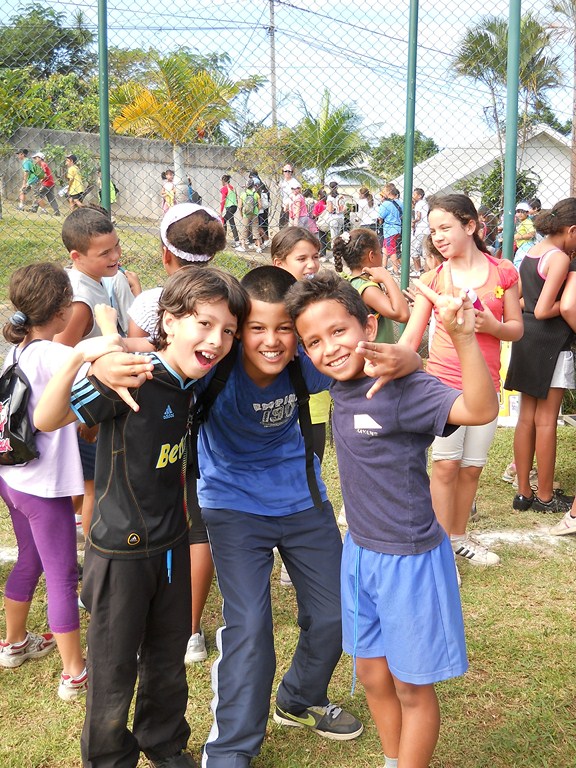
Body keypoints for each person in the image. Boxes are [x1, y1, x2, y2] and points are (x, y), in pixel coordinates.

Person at [34, 267, 249, 768]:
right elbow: (46, 419)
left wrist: (117, 341)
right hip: (119, 553)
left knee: (168, 659)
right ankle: (109, 757)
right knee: (113, 671)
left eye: (227, 331)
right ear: (170, 321)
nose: (216, 340)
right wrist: (86, 357)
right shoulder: (130, 375)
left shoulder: (194, 378)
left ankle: (165, 744)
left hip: (172, 544)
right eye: (204, 323)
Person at [285, 269, 499, 768]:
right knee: (372, 675)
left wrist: (461, 337)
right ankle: (392, 759)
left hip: (410, 560)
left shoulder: (402, 387)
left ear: (367, 324)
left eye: (338, 331)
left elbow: (480, 409)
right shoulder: (334, 381)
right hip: (359, 554)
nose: (329, 348)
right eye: (313, 341)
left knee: (411, 687)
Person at [196, 266, 364, 767]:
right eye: (257, 329)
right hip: (232, 505)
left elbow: (361, 355)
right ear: (237, 330)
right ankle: (230, 750)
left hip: (301, 499)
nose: (271, 341)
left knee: (338, 611)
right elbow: (160, 358)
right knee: (250, 629)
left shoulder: (304, 364)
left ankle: (299, 698)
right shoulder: (213, 369)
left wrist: (403, 355)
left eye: (284, 329)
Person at [0, 264, 120, 700]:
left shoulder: (17, 350)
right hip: (43, 487)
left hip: (12, 478)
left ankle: (14, 642)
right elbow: (107, 360)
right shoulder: (55, 355)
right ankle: (74, 672)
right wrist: (108, 322)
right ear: (62, 311)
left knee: (29, 558)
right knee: (62, 576)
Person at [399, 194, 523, 568]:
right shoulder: (434, 278)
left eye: (445, 228)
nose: (437, 237)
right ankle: (439, 551)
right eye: (433, 230)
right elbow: (411, 336)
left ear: (470, 226)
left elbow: (516, 329)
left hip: (485, 388)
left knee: (471, 467)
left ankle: (457, 537)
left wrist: (494, 326)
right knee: (445, 466)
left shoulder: (503, 272)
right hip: (443, 389)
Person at [127, 202, 227, 663]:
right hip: (208, 429)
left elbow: (136, 363)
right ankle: (190, 631)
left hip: (155, 431)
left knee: (152, 516)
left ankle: (146, 618)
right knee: (198, 524)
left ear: (166, 254)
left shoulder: (152, 302)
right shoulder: (225, 297)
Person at [505, 197, 576, 516]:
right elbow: (548, 309)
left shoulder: (533, 251)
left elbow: (521, 299)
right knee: (546, 421)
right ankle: (546, 496)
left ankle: (524, 493)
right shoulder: (559, 258)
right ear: (572, 230)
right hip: (551, 342)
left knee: (526, 418)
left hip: (526, 338)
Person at [333, 228, 409, 343]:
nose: (382, 255)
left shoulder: (353, 281)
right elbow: (403, 315)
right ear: (371, 256)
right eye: (380, 252)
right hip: (377, 353)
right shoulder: (367, 288)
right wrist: (387, 278)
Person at [378, 183, 403, 275]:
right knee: (385, 247)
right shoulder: (399, 203)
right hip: (398, 227)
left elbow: (380, 217)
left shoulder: (386, 204)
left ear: (388, 192)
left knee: (391, 250)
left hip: (389, 229)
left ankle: (395, 269)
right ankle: (383, 266)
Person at [30, 151, 61, 216]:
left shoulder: (43, 164)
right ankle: (56, 211)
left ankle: (36, 209)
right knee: (51, 198)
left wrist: (40, 181)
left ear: (40, 158)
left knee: (38, 195)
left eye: (36, 158)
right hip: (50, 183)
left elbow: (45, 175)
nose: (35, 160)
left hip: (47, 183)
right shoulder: (42, 165)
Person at [237, 179, 262, 253]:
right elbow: (260, 205)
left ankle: (243, 246)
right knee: (255, 229)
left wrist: (241, 214)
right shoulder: (256, 194)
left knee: (244, 229)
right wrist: (256, 211)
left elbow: (240, 206)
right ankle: (258, 247)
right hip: (254, 214)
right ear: (253, 186)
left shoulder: (243, 194)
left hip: (246, 214)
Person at [513, 201, 537, 270]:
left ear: (527, 213)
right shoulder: (523, 222)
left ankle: (519, 275)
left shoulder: (527, 222)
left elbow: (532, 234)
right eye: (518, 212)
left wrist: (519, 237)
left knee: (518, 262)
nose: (520, 214)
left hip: (526, 245)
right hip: (523, 245)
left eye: (522, 212)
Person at [411, 188, 429, 276]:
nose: (413, 196)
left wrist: (412, 222)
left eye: (414, 194)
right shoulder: (426, 203)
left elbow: (418, 217)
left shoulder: (419, 204)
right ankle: (427, 270)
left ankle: (417, 270)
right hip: (427, 229)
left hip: (420, 229)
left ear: (419, 196)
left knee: (414, 249)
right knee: (425, 251)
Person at [219, 174, 240, 248]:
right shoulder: (232, 188)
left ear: (223, 181)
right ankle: (227, 240)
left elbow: (223, 201)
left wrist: (221, 211)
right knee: (227, 221)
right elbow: (236, 197)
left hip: (230, 207)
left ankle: (235, 241)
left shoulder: (225, 188)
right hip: (234, 206)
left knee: (228, 222)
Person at [325, 181, 346, 254]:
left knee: (333, 237)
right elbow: (344, 209)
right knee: (338, 236)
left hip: (333, 218)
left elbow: (330, 209)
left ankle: (335, 254)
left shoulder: (330, 197)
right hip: (340, 217)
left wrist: (327, 208)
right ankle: (338, 252)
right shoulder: (341, 196)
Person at [313, 189, 329, 259]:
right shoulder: (327, 203)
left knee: (321, 237)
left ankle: (322, 252)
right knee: (324, 238)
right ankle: (324, 251)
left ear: (319, 196)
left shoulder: (319, 203)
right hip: (328, 222)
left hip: (321, 222)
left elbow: (315, 214)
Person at [279, 164, 296, 228]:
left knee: (288, 226)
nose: (287, 173)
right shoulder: (283, 182)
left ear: (292, 172)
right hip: (284, 205)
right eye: (285, 171)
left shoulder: (294, 182)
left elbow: (294, 195)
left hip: (291, 206)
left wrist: (288, 205)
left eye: (289, 171)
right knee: (281, 225)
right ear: (283, 172)